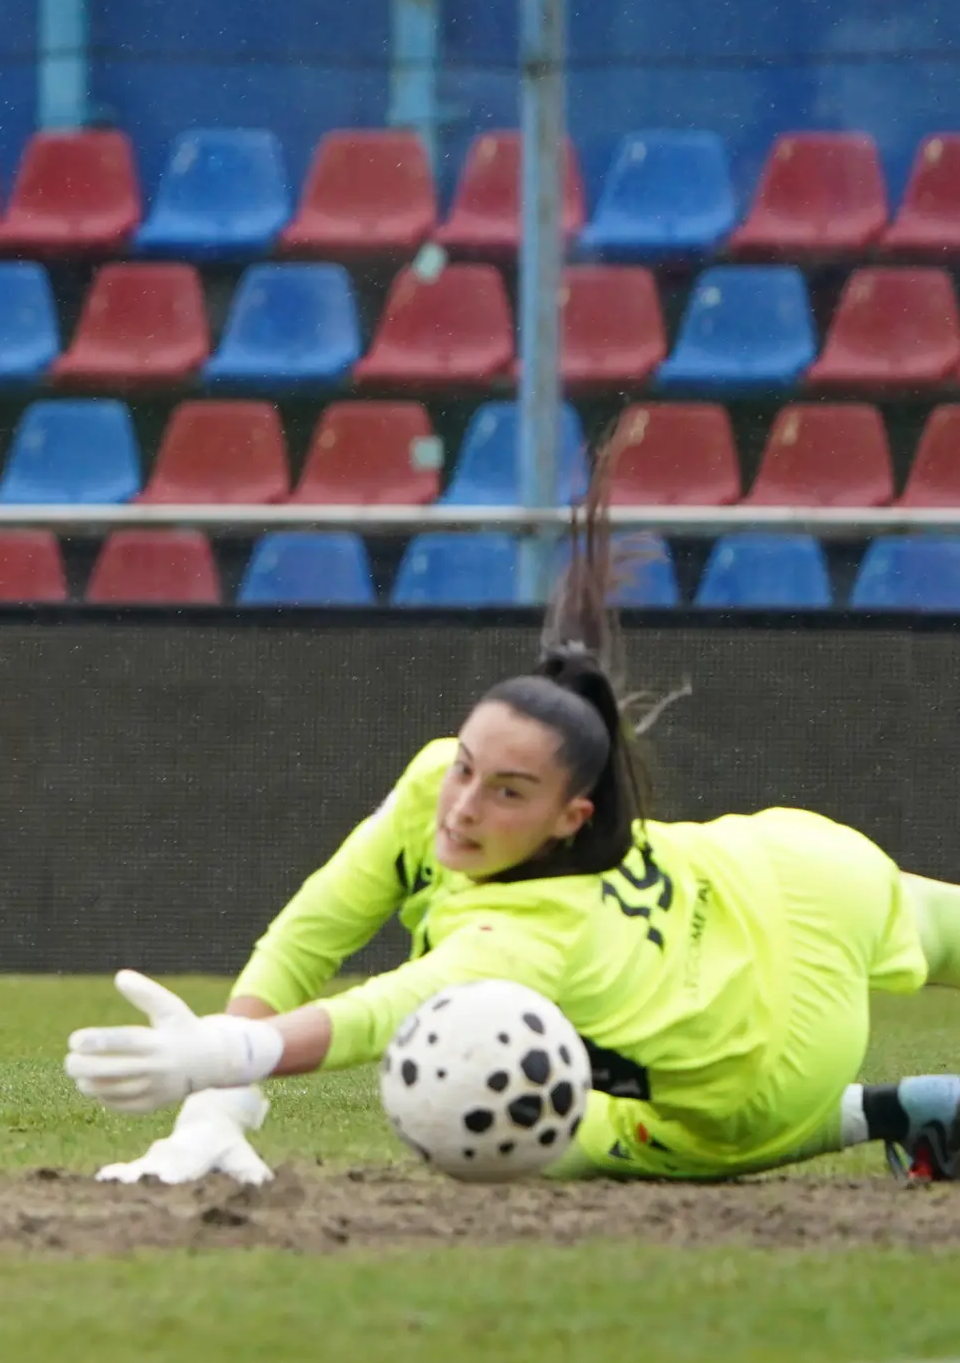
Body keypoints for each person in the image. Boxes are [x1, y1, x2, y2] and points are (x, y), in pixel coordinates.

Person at [63, 451, 960, 1185]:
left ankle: (873, 1112)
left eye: (507, 791)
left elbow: (380, 1013)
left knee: (494, 1126)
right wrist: (221, 1104)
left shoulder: (528, 933)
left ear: (570, 816)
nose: (461, 803)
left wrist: (224, 1051)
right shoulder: (433, 792)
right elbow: (312, 930)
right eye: (464, 766)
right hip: (791, 868)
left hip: (767, 1065)